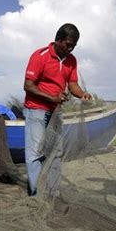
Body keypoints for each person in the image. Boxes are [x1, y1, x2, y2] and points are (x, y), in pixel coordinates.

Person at [23, 23, 91, 207]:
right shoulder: (41, 55)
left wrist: (82, 94)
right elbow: (28, 86)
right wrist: (52, 97)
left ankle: (53, 193)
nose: (70, 49)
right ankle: (36, 193)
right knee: (35, 153)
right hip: (36, 109)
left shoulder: (71, 60)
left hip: (56, 112)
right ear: (58, 40)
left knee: (56, 152)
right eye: (68, 44)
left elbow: (73, 85)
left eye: (74, 46)